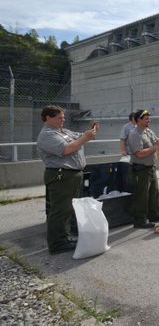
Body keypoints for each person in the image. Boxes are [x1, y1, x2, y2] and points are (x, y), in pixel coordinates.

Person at [36, 105, 98, 254]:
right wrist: (85, 137)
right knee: (59, 210)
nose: (63, 120)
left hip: (70, 175)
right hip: (61, 176)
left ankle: (64, 237)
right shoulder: (47, 135)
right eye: (59, 118)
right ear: (48, 118)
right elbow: (66, 149)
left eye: (63, 117)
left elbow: (82, 138)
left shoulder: (63, 131)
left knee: (67, 209)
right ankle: (56, 244)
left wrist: (91, 132)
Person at [127, 109, 159, 228]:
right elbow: (139, 154)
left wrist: (157, 143)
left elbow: (155, 143)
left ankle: (154, 214)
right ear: (138, 120)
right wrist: (155, 147)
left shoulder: (148, 132)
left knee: (154, 193)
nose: (149, 120)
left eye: (149, 118)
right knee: (142, 196)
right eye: (146, 118)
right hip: (141, 170)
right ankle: (140, 220)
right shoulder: (134, 134)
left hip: (150, 168)